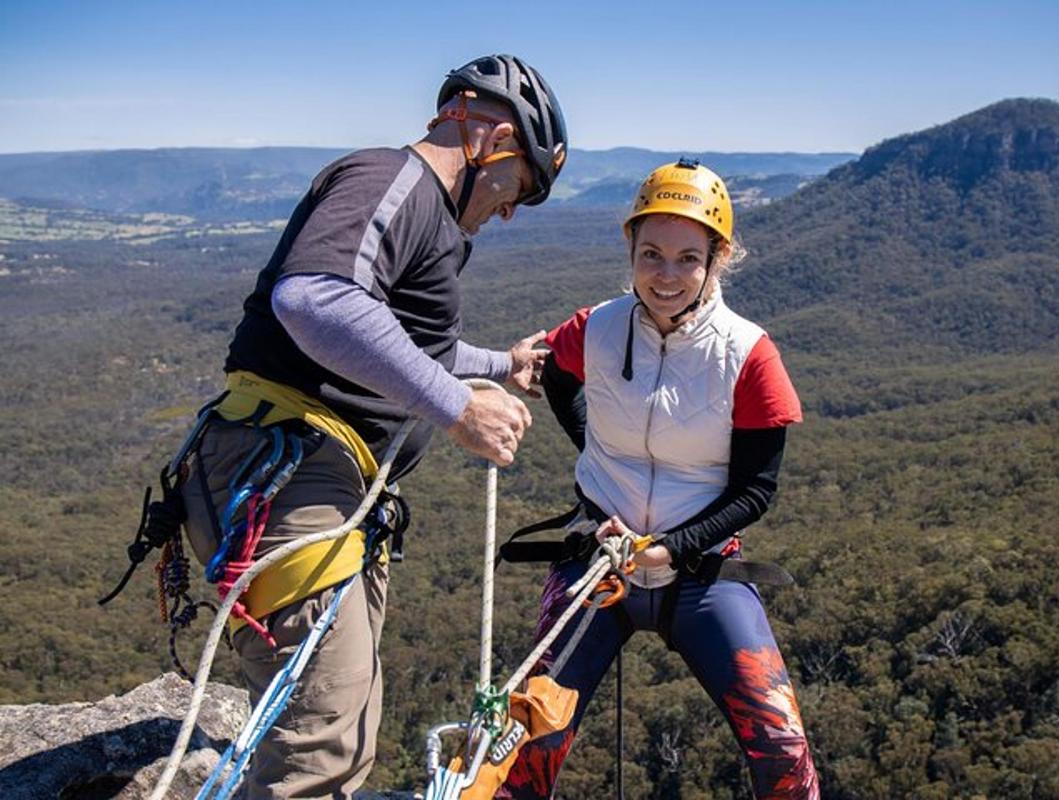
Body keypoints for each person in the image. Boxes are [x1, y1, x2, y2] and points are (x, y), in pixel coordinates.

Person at [176, 54, 567, 798]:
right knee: (320, 744)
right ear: (494, 138)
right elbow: (317, 299)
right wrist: (457, 409)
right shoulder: (393, 178)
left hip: (312, 475)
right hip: (293, 469)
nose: (510, 211)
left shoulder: (425, 214)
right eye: (519, 189)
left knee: (344, 729)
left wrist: (495, 367)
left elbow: (401, 339)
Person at [496, 160, 820, 799]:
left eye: (687, 259)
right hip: (598, 559)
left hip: (700, 573)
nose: (666, 276)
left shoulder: (750, 355)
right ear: (631, 249)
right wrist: (597, 457)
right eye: (652, 254)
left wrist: (676, 545)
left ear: (716, 260)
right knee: (525, 742)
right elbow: (557, 376)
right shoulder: (597, 328)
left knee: (783, 747)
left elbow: (757, 489)